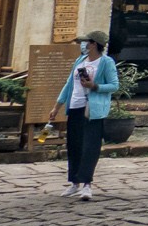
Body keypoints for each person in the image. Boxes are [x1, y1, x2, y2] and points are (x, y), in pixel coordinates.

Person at [47, 31, 119, 200]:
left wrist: (95, 86)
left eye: (86, 42)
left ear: (94, 44)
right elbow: (69, 84)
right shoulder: (80, 61)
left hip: (92, 110)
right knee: (74, 145)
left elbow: (114, 85)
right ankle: (74, 182)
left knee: (90, 146)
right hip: (75, 106)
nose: (83, 45)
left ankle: (86, 183)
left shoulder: (106, 62)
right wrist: (57, 106)